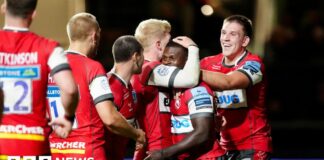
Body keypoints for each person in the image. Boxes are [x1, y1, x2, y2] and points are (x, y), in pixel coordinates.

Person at [47, 13, 145, 159]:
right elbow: (110, 118)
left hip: (56, 152)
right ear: (94, 36)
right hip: (87, 152)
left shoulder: (50, 66)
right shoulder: (92, 68)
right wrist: (137, 134)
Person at [0, 0, 79, 155]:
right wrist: (68, 117)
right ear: (33, 14)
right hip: (34, 141)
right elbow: (70, 89)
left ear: (4, 7)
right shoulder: (49, 47)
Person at [200, 15, 272, 159]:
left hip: (253, 146)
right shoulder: (207, 63)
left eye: (233, 34)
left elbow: (228, 82)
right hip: (223, 146)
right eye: (223, 32)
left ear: (245, 41)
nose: (225, 38)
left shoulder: (254, 63)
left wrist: (190, 70)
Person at [131, 19, 201, 159]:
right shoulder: (149, 68)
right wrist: (193, 48)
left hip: (160, 149)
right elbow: (191, 79)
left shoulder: (142, 69)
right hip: (157, 150)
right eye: (168, 42)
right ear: (158, 44)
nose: (171, 46)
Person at [146, 41, 226, 160]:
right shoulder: (169, 89)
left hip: (208, 157)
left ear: (187, 61)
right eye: (164, 58)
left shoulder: (198, 90)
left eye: (172, 58)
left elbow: (202, 133)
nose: (166, 62)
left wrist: (164, 153)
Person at [105, 35, 144, 160]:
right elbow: (109, 122)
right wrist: (137, 135)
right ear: (135, 56)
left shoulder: (128, 86)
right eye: (143, 56)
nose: (144, 61)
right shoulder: (111, 86)